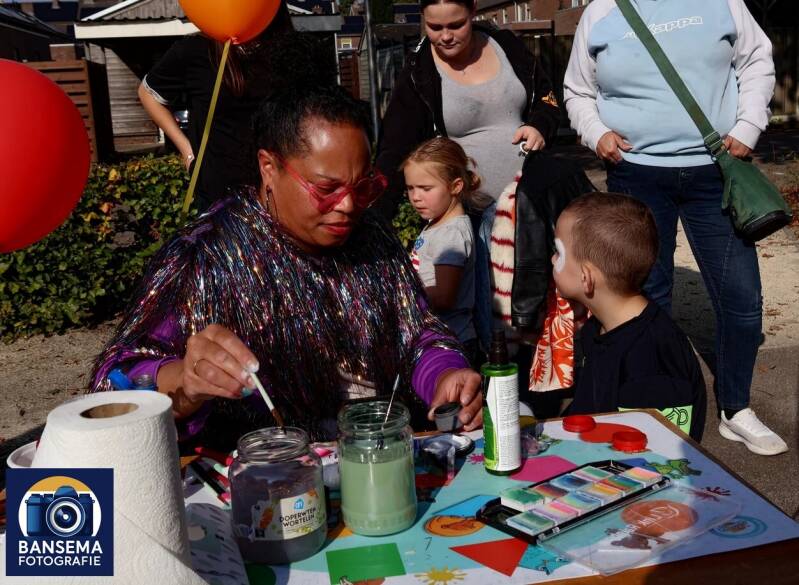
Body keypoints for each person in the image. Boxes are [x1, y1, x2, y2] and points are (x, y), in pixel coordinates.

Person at [91, 85, 482, 451]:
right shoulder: (204, 256)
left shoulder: (372, 236)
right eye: (327, 189)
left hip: (378, 460)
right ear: (268, 167)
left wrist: (444, 376)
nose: (347, 206)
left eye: (361, 188)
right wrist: (183, 381)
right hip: (264, 492)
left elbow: (417, 333)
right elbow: (112, 385)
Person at [563, 0, 787, 454]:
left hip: (716, 174)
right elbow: (577, 91)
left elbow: (758, 61)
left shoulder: (723, 3)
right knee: (649, 298)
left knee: (741, 300)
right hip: (637, 174)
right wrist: (595, 132)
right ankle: (652, 409)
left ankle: (736, 408)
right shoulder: (601, 12)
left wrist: (748, 124)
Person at [138, 2, 335, 213]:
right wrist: (188, 152)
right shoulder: (195, 50)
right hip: (219, 198)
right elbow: (148, 93)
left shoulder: (294, 52)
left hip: (285, 194)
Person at [555, 193, 707, 441]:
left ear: (586, 277)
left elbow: (658, 454)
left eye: (558, 253)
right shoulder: (600, 326)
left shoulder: (651, 359)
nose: (551, 260)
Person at [404, 138, 483, 364]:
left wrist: (402, 294)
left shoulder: (451, 234)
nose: (416, 197)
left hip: (451, 343)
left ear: (455, 186)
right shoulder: (437, 224)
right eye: (410, 188)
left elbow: (445, 296)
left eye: (425, 188)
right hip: (437, 339)